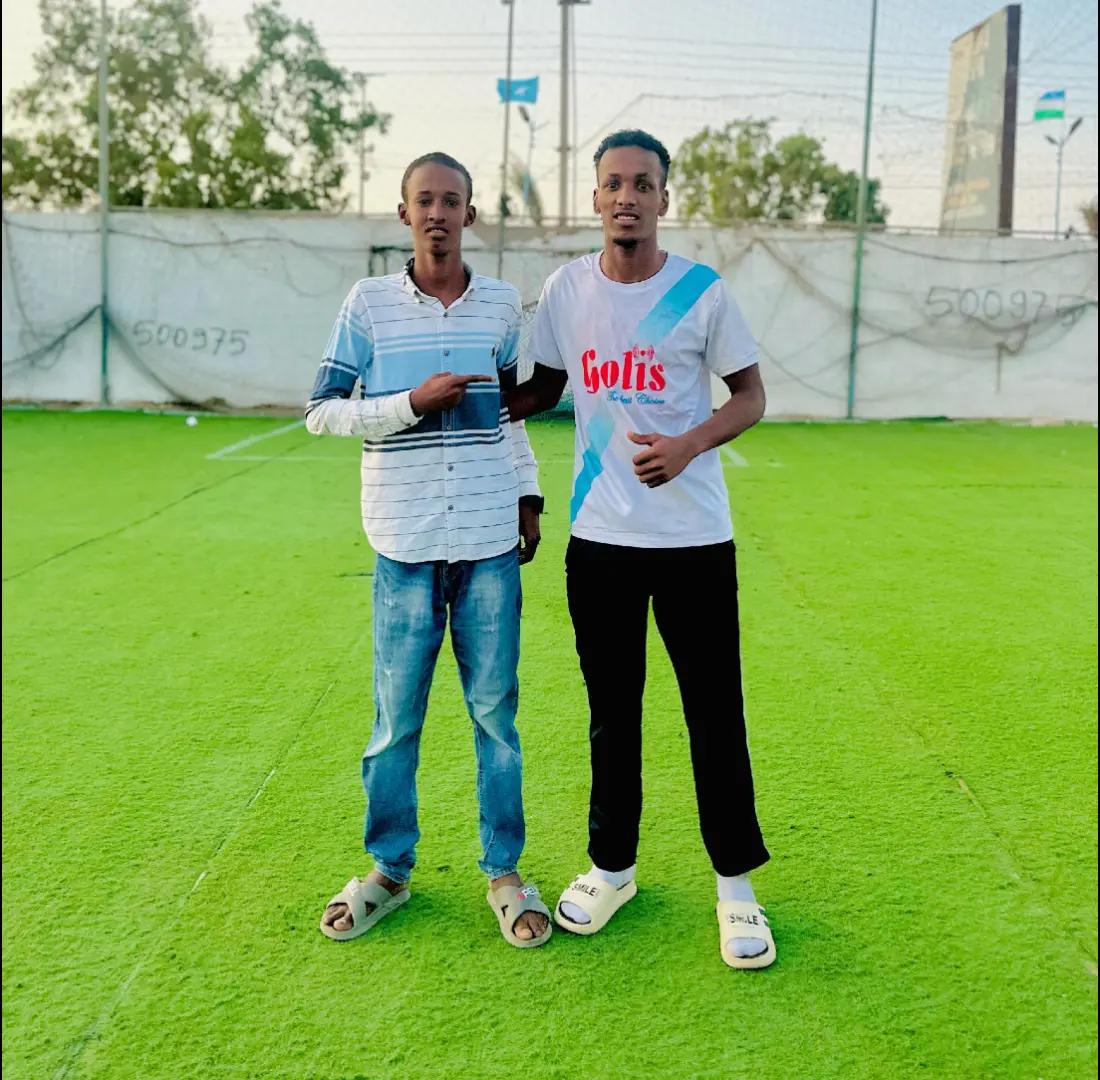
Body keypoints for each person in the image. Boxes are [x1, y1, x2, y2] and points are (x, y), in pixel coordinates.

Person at [508, 130, 775, 969]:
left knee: (714, 714)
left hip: (695, 543)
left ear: (664, 198)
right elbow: (545, 389)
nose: (627, 197)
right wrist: (461, 396)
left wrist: (691, 444)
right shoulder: (566, 289)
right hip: (600, 545)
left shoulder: (700, 292)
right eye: (614, 183)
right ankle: (611, 869)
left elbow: (750, 396)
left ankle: (735, 887)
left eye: (643, 184)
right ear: (595, 197)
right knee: (611, 715)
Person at [307, 152, 551, 948]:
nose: (438, 213)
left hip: (487, 542)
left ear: (470, 214)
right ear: (404, 212)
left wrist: (527, 494)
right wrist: (410, 403)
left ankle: (505, 873)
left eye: (452, 200)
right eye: (425, 200)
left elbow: (508, 414)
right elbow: (321, 411)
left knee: (496, 719)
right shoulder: (369, 305)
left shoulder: (501, 306)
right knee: (394, 722)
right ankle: (389, 870)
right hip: (404, 544)